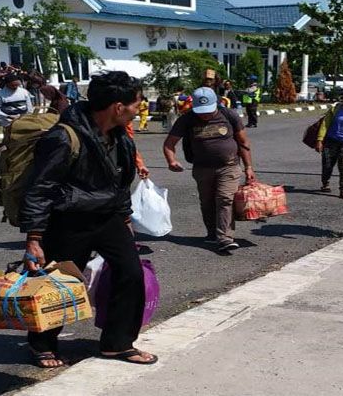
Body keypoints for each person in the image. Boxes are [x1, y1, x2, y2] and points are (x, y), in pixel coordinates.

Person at [20, 71, 157, 368]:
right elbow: (40, 187)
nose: (139, 109)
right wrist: (34, 237)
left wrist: (125, 218)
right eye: (136, 104)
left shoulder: (120, 135)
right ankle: (42, 344)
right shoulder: (63, 137)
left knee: (131, 273)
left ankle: (117, 344)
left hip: (108, 216)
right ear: (117, 107)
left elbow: (120, 182)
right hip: (68, 221)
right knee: (58, 285)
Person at [163, 87, 256, 252]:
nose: (205, 114)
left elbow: (243, 143)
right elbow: (169, 143)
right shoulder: (187, 119)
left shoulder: (229, 115)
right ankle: (213, 234)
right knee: (207, 202)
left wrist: (249, 167)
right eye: (201, 111)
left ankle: (225, 238)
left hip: (229, 166)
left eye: (208, 110)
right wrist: (171, 161)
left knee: (225, 199)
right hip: (202, 168)